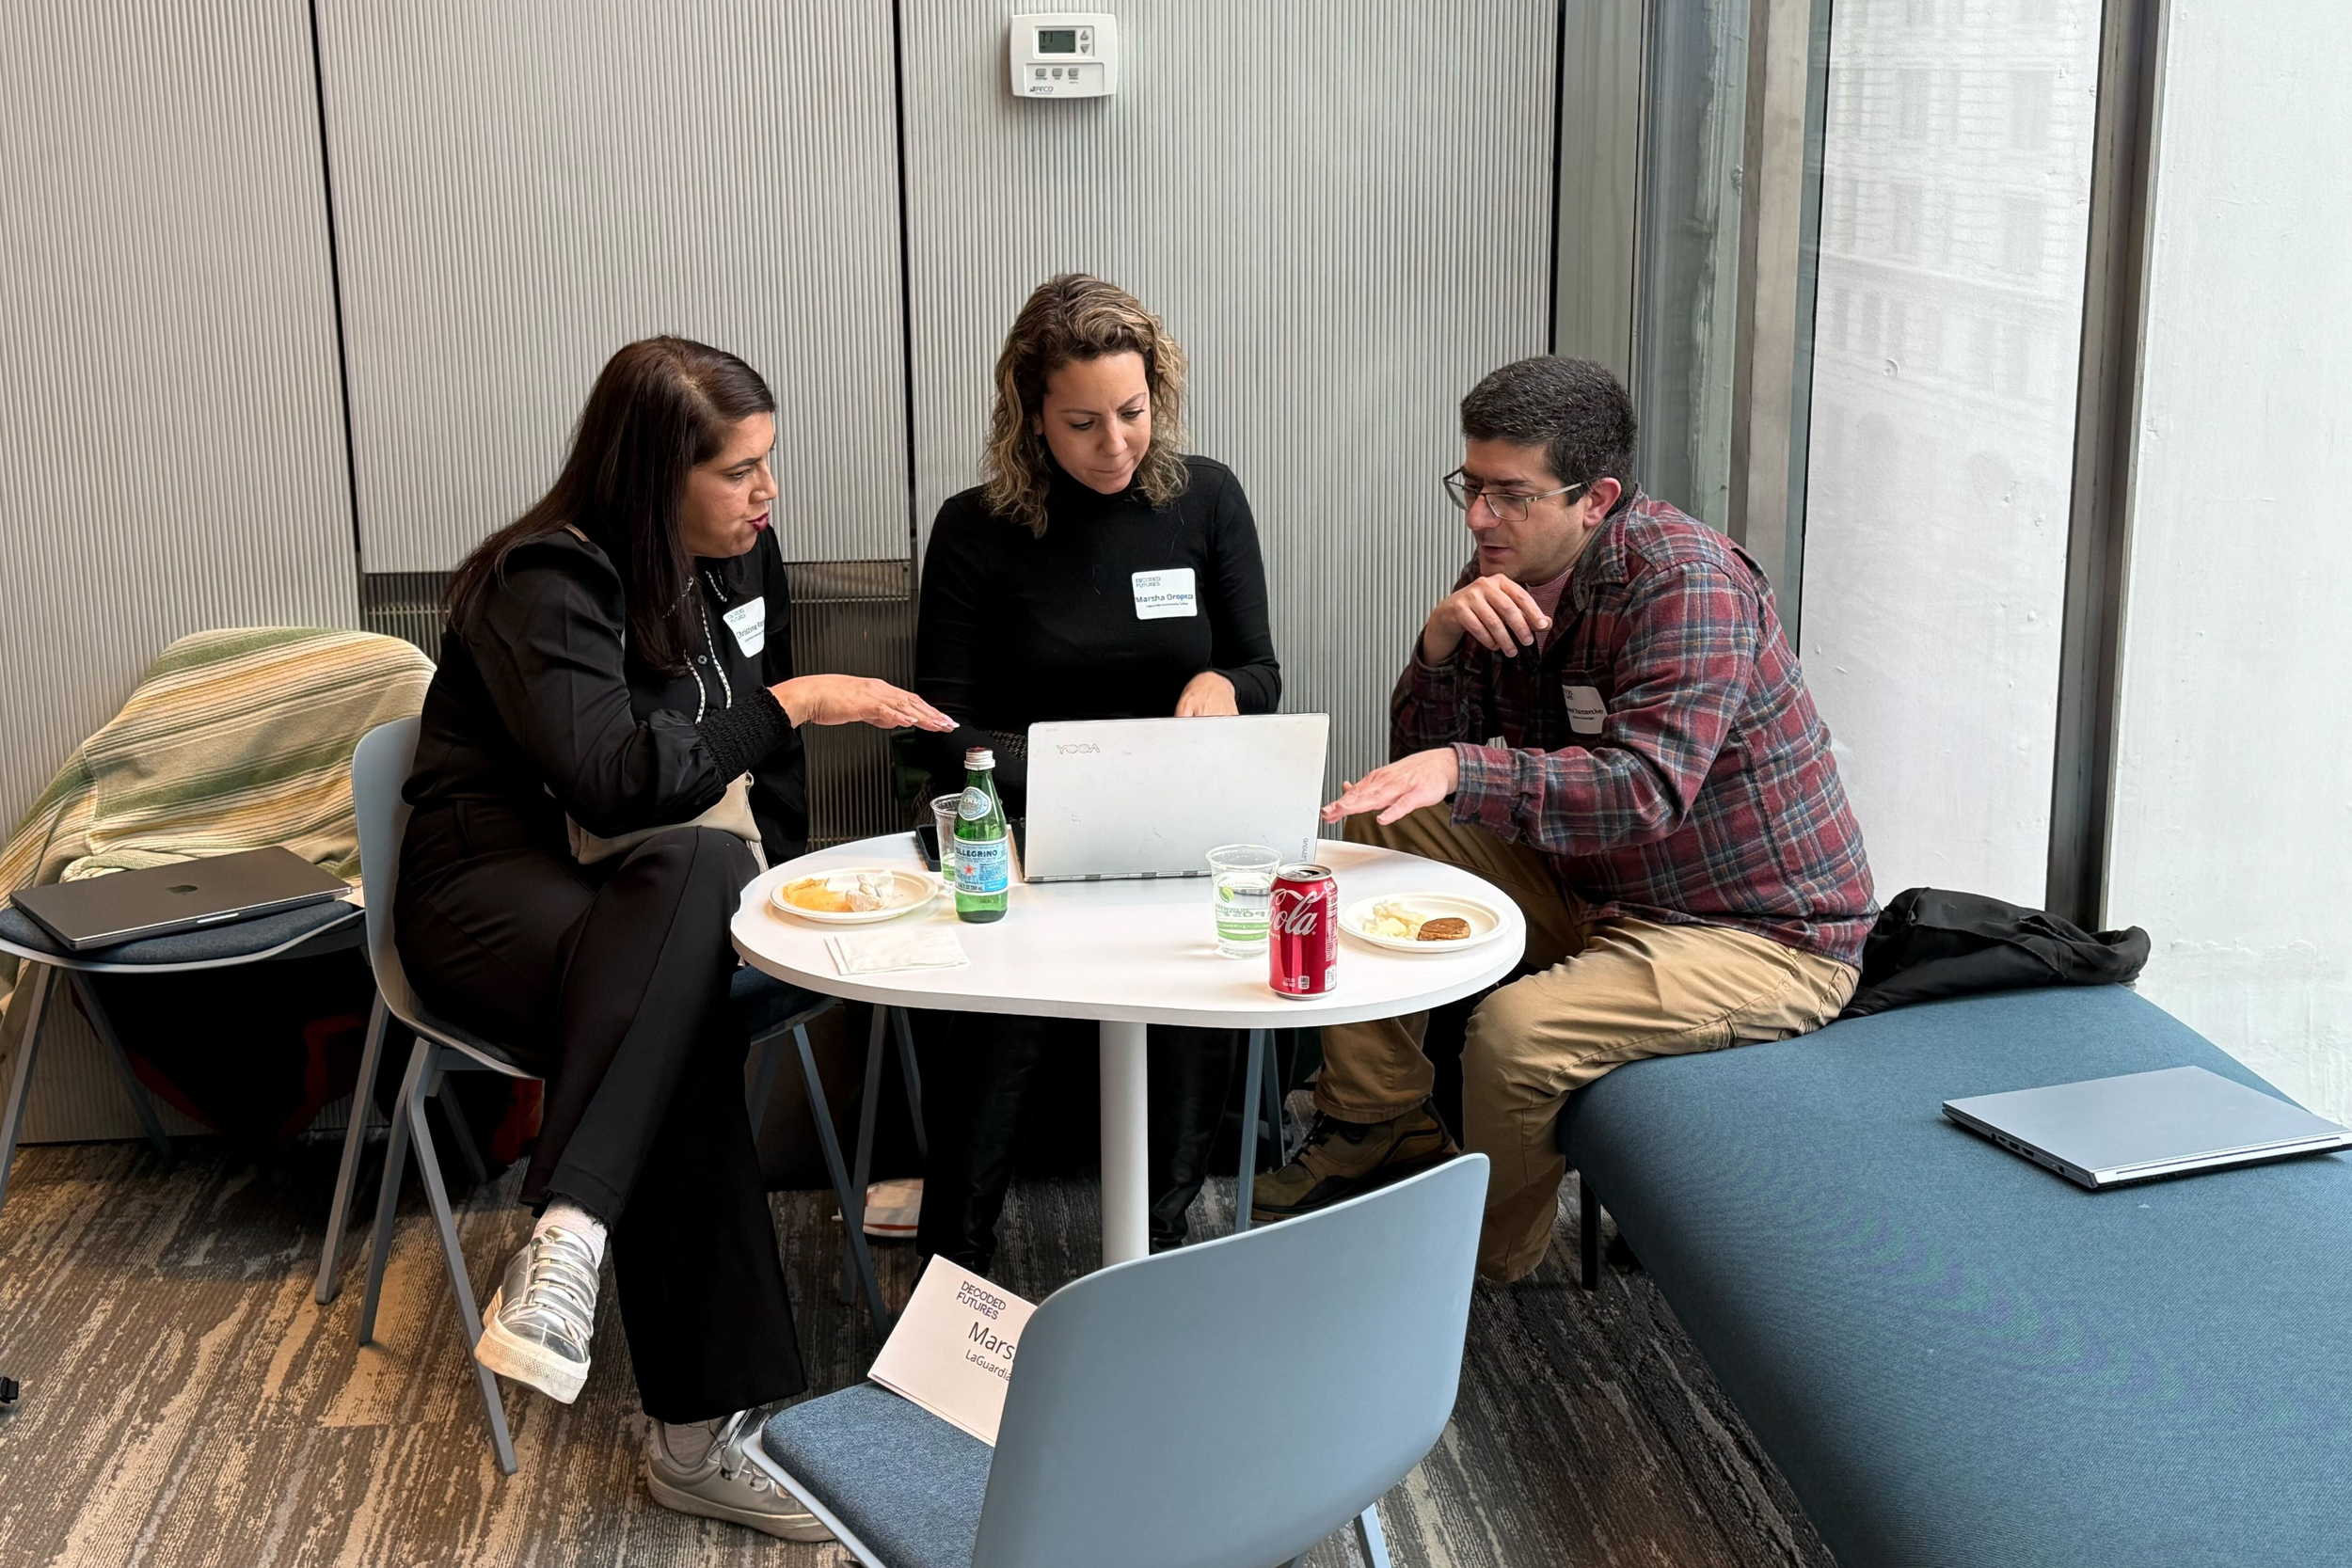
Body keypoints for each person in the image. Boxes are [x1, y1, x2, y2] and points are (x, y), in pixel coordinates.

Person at [396, 337, 954, 1539]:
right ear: (657, 476)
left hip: (634, 899)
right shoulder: (543, 579)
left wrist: (784, 886)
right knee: (684, 959)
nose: (768, 494)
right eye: (740, 470)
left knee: (696, 912)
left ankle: (569, 1236)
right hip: (486, 890)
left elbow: (746, 772)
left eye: (768, 464)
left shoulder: (729, 564)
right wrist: (791, 705)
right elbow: (612, 782)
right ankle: (693, 1429)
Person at [1250, 355, 1875, 1282]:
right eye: (1470, 486)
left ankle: (1485, 1263)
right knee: (1369, 830)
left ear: (1597, 497)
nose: (1477, 518)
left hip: (1754, 932)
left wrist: (1464, 765)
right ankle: (1379, 1121)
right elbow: (1427, 767)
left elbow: (1643, 788)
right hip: (1594, 883)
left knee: (1515, 1031)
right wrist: (1439, 644)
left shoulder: (1684, 581)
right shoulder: (1509, 566)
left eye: (1507, 494)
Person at [910, 273, 1281, 1269]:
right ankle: (954, 1261)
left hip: (1172, 824)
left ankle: (1158, 1241)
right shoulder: (975, 526)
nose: (1115, 445)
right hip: (1022, 819)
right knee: (1007, 1013)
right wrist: (1080, 773)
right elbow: (941, 726)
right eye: (1082, 423)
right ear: (1031, 419)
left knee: (1203, 979)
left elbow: (1261, 670)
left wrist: (1221, 686)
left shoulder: (1204, 496)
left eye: (1132, 412)